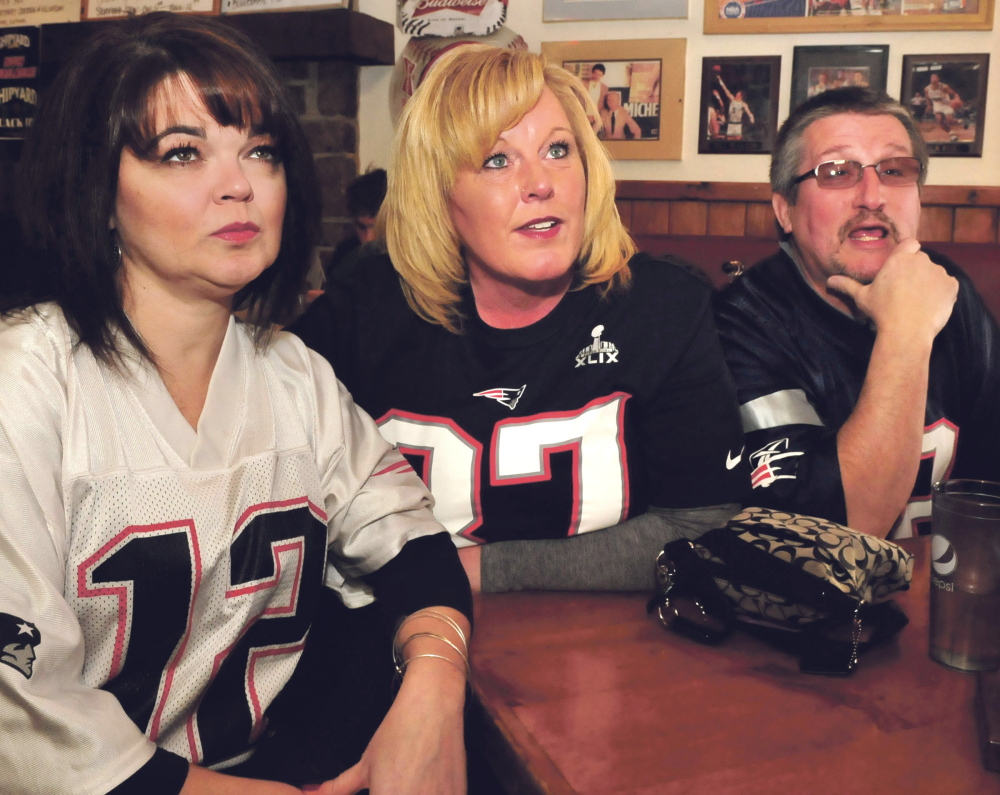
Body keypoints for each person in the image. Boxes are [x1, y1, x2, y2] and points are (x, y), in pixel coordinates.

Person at [0, 13, 471, 795]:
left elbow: (415, 548)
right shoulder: (24, 387)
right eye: (181, 153)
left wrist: (434, 684)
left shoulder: (294, 376)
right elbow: (21, 717)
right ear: (98, 189)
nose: (241, 185)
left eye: (261, 151)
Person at [290, 45, 748, 594]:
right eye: (497, 160)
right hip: (396, 642)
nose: (540, 183)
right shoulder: (366, 302)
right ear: (438, 193)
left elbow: (702, 527)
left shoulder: (663, 305)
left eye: (558, 150)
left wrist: (467, 573)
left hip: (608, 651)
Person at [714, 86, 1000, 540]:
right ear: (785, 209)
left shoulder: (948, 287)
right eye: (837, 171)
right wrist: (905, 332)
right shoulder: (742, 322)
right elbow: (835, 533)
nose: (873, 195)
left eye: (895, 169)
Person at [324, 167, 388, 284]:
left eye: (377, 227)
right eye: (362, 227)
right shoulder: (345, 256)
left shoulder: (410, 261)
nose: (369, 238)